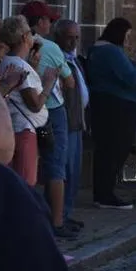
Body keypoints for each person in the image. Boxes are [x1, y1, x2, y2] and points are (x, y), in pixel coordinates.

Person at [21, 2, 75, 239]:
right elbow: (70, 81)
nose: (50, 25)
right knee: (56, 166)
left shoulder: (19, 47)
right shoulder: (49, 47)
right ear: (39, 21)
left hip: (25, 113)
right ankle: (57, 220)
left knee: (30, 166)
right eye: (48, 20)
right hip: (51, 110)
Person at [85, 17, 136, 209]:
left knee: (107, 152)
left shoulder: (97, 50)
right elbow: (131, 79)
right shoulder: (111, 52)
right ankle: (105, 194)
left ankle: (103, 193)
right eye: (126, 36)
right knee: (114, 151)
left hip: (106, 105)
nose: (128, 40)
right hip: (117, 107)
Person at [0, 17, 56, 190]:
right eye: (30, 33)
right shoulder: (18, 65)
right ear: (24, 38)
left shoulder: (11, 62)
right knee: (25, 184)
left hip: (18, 128)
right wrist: (48, 84)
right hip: (24, 130)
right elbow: (35, 104)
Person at [52, 20, 88, 234]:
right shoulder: (56, 58)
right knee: (62, 171)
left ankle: (66, 213)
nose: (73, 41)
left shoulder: (75, 60)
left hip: (77, 122)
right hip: (65, 122)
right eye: (69, 37)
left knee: (74, 172)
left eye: (76, 37)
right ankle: (58, 216)